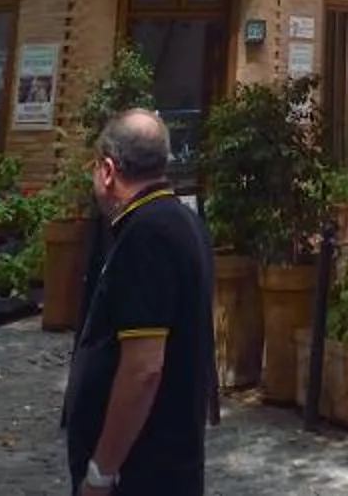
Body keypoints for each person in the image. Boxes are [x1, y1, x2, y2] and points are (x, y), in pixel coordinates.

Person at [64, 108, 215, 496]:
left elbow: (143, 367)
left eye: (94, 169)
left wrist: (102, 472)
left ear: (108, 170)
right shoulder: (183, 221)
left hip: (142, 469)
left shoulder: (146, 234)